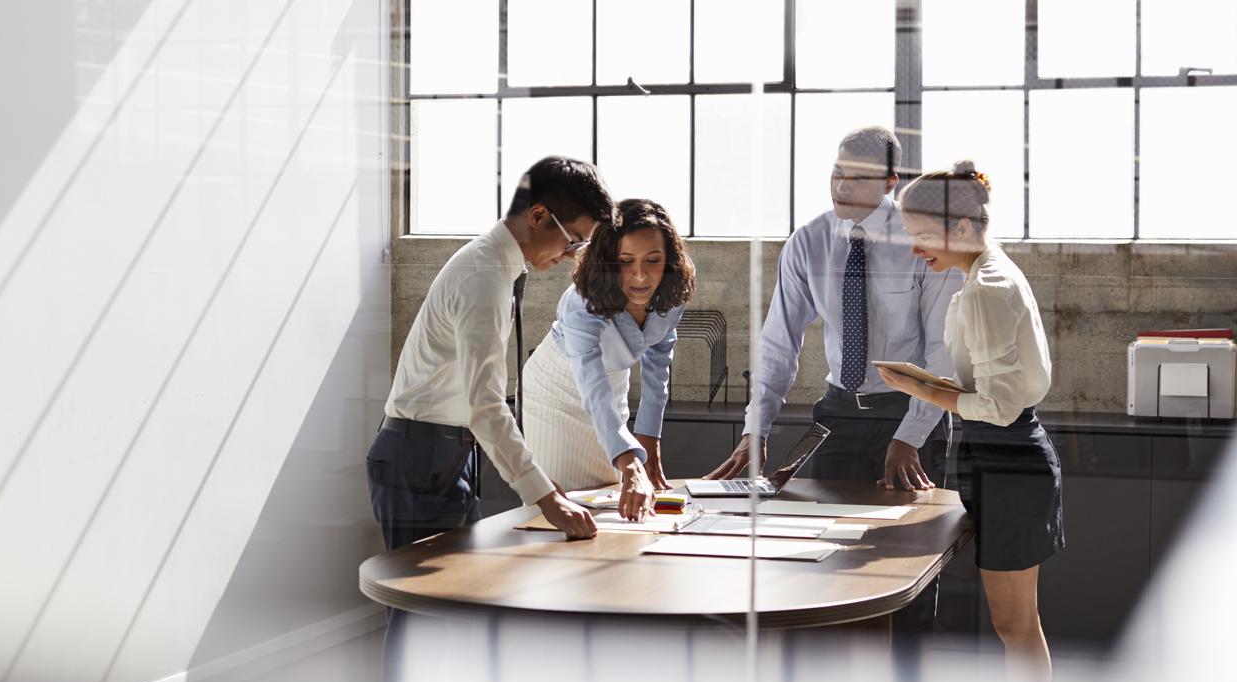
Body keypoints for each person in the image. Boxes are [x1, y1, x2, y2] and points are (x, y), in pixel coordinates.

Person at [877, 162, 1064, 682]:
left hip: (1009, 457)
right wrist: (929, 385)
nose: (916, 250)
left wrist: (919, 388)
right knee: (1017, 625)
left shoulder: (987, 286)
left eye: (920, 236)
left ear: (960, 227)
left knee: (1015, 625)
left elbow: (1000, 407)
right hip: (1000, 455)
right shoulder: (986, 273)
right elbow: (991, 391)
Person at [367, 156, 614, 551]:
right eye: (574, 240)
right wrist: (546, 499)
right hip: (420, 455)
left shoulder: (496, 269)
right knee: (423, 603)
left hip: (442, 450)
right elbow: (485, 404)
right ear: (537, 216)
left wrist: (540, 484)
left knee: (454, 600)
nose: (573, 255)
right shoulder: (483, 277)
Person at [708, 126, 961, 490]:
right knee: (827, 530)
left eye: (858, 177)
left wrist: (912, 435)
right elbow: (779, 342)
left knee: (906, 539)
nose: (842, 186)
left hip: (909, 410)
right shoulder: (809, 242)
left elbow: (943, 349)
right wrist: (756, 430)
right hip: (838, 415)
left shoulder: (923, 241)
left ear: (890, 182)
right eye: (837, 173)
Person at [521, 198, 696, 519]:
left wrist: (648, 440)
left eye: (653, 261)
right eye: (626, 261)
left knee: (613, 505)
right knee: (563, 510)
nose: (641, 276)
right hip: (557, 391)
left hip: (612, 384)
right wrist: (630, 460)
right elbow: (591, 385)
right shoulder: (582, 302)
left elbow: (659, 357)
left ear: (669, 260)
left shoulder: (674, 287)